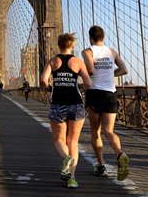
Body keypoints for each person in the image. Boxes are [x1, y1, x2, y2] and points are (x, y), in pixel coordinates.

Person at [41, 33, 91, 189]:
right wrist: (78, 87)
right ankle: (72, 179)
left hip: (58, 104)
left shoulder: (53, 61)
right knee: (73, 142)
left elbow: (43, 79)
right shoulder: (78, 62)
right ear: (72, 45)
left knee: (59, 140)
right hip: (76, 104)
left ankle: (66, 158)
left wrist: (50, 88)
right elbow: (88, 83)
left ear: (59, 45)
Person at [81, 25, 130, 181]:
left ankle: (101, 166)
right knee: (109, 131)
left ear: (90, 38)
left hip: (94, 93)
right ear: (102, 37)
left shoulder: (87, 52)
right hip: (110, 94)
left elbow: (91, 71)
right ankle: (120, 154)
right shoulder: (112, 52)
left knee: (96, 132)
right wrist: (110, 73)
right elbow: (124, 70)